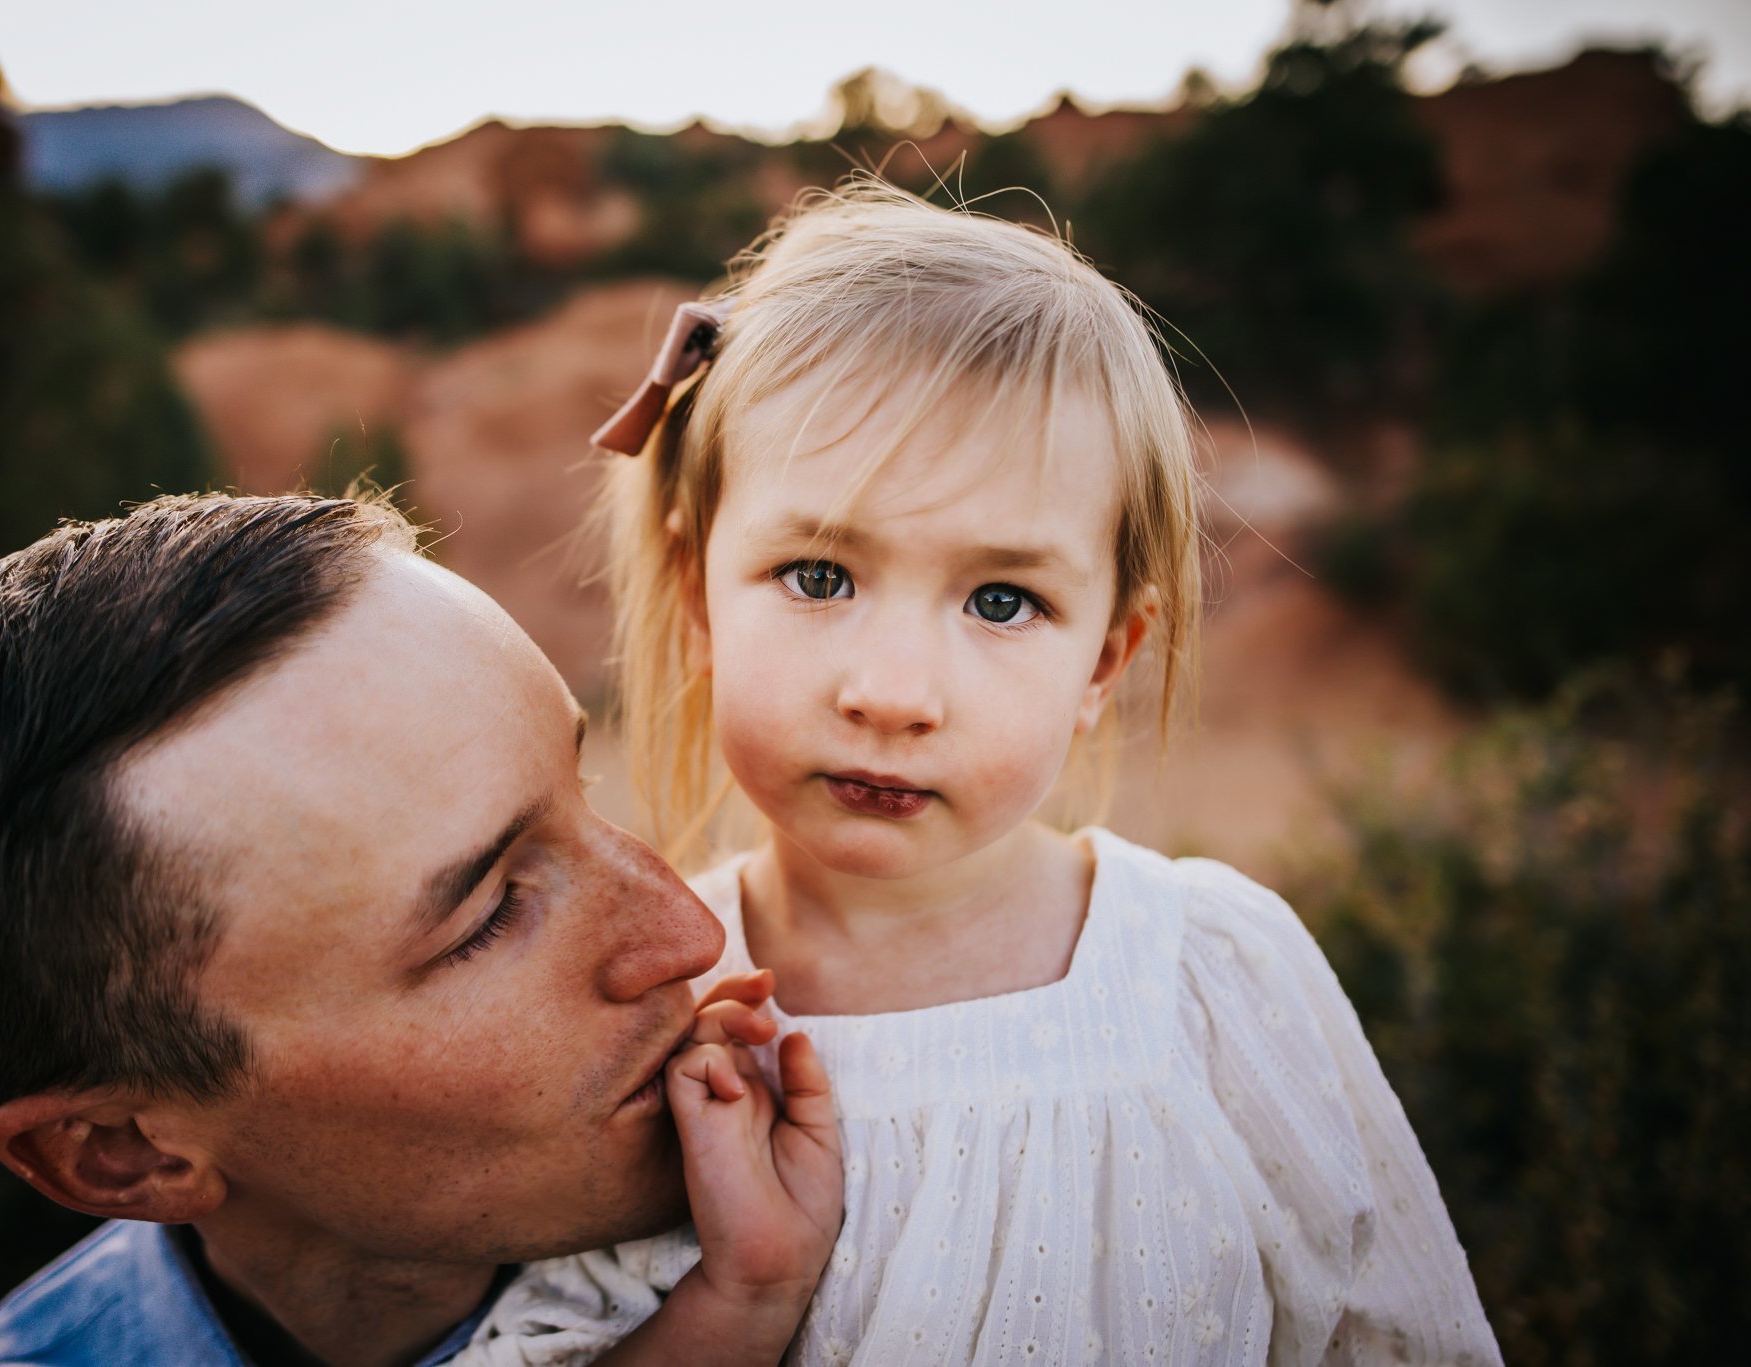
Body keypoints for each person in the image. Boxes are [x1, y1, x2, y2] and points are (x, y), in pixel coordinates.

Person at [458, 184, 1502, 1363]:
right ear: (698, 594)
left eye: (1001, 600)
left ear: (1105, 656)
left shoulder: (1212, 977)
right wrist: (743, 1296)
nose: (894, 692)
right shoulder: (642, 1009)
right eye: (816, 575)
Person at [0, 492, 842, 1367]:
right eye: (487, 918)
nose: (687, 931)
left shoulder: (904, 1177)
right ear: (123, 1150)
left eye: (586, 785)